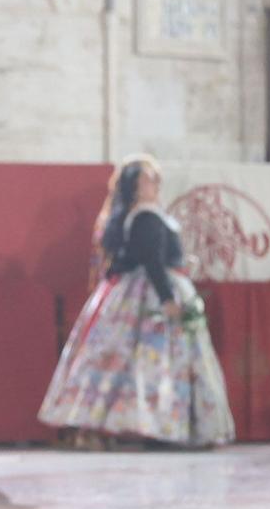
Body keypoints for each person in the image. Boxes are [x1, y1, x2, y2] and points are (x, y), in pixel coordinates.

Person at [38, 155, 235, 447]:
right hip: (152, 294)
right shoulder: (144, 217)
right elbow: (152, 261)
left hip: (153, 289)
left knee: (146, 363)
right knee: (154, 364)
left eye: (156, 178)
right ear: (134, 186)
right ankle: (157, 427)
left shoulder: (148, 215)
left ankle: (157, 425)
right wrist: (168, 297)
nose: (155, 183)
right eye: (147, 178)